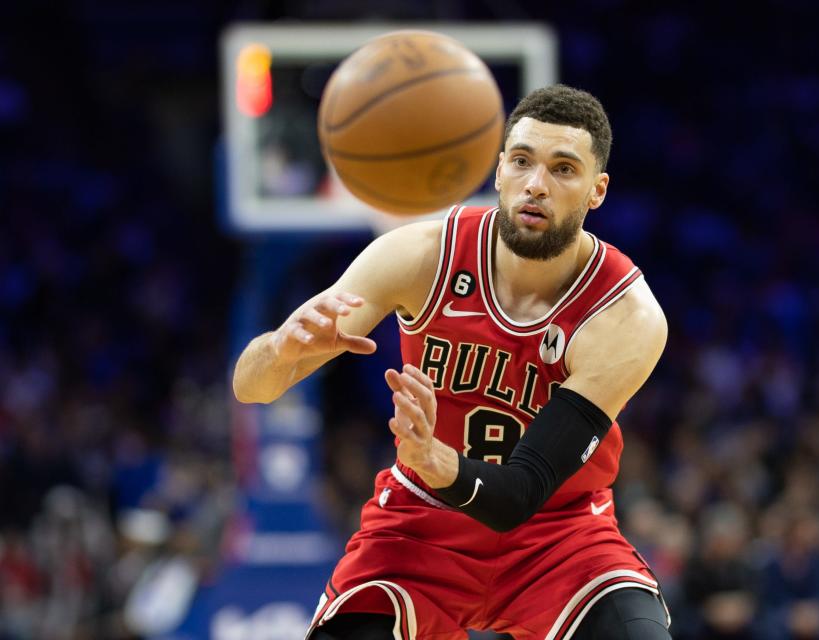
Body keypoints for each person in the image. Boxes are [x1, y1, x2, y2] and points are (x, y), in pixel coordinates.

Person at [234, 84, 671, 640]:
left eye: (563, 169)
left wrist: (437, 461)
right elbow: (251, 388)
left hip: (558, 537)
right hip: (419, 524)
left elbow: (520, 494)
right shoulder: (420, 255)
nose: (536, 185)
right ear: (498, 171)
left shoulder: (625, 315)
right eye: (522, 161)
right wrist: (279, 350)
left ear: (596, 191)